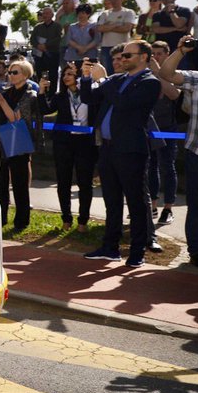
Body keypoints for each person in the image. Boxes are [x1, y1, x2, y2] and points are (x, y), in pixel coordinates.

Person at [79, 42, 161, 267]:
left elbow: (123, 104)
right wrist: (86, 77)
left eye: (127, 55)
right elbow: (88, 98)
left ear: (143, 57)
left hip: (131, 150)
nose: (122, 59)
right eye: (121, 55)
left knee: (136, 202)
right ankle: (110, 247)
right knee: (112, 201)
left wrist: (103, 79)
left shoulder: (150, 82)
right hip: (108, 148)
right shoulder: (116, 80)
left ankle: (137, 252)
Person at [153, 36, 198, 269]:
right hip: (197, 153)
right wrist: (181, 50)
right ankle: (197, 251)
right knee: (197, 205)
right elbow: (166, 73)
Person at [38, 63, 99, 232]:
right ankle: (66, 219)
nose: (66, 77)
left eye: (70, 74)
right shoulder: (60, 96)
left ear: (78, 76)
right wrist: (42, 91)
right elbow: (45, 110)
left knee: (85, 182)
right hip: (63, 143)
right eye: (64, 74)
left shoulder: (90, 94)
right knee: (63, 181)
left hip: (85, 143)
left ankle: (83, 221)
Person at [0, 59, 38, 231]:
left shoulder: (29, 95)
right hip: (2, 139)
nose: (11, 75)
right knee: (1, 182)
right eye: (10, 72)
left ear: (25, 75)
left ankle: (21, 221)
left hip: (18, 140)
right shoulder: (6, 91)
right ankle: (1, 218)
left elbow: (15, 119)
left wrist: (1, 101)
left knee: (20, 183)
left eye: (15, 72)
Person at [146, 41, 181, 228]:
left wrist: (158, 72)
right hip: (150, 128)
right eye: (153, 53)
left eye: (160, 53)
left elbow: (174, 94)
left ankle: (168, 208)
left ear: (167, 55)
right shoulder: (145, 74)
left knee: (167, 167)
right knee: (150, 167)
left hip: (168, 128)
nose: (156, 57)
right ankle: (152, 205)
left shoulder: (173, 74)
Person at [95, 0, 137, 74]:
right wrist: (116, 25)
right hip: (106, 47)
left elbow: (126, 28)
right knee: (108, 72)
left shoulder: (129, 12)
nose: (113, 1)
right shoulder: (105, 13)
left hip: (123, 47)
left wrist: (107, 27)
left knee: (124, 70)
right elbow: (99, 28)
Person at [30, 7, 62, 93]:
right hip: (40, 55)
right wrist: (38, 45)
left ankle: (52, 94)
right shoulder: (38, 27)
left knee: (53, 75)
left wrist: (46, 45)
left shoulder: (57, 26)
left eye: (47, 13)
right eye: (43, 13)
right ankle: (42, 93)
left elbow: (59, 38)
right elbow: (32, 39)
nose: (45, 15)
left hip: (53, 54)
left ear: (52, 15)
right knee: (41, 74)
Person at [62, 3, 100, 69]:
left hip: (90, 56)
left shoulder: (94, 26)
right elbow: (68, 40)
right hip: (73, 57)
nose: (80, 15)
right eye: (79, 13)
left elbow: (97, 39)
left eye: (83, 13)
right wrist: (79, 47)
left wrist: (85, 48)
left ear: (88, 14)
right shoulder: (72, 27)